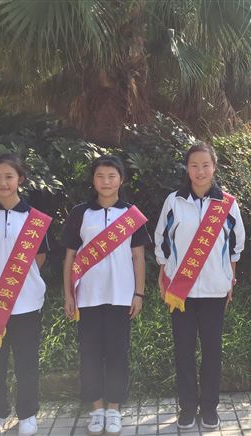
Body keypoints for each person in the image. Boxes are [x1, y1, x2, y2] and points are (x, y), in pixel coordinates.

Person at [155, 141, 245, 430]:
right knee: (183, 351)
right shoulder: (174, 201)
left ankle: (208, 407)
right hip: (180, 291)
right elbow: (162, 241)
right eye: (194, 165)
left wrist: (229, 280)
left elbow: (235, 247)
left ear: (214, 167)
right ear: (187, 168)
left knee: (211, 351)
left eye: (205, 165)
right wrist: (163, 275)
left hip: (214, 290)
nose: (200, 171)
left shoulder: (227, 204)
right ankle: (187, 407)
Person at [62, 155, 151, 436]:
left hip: (121, 296)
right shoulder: (80, 213)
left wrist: (139, 293)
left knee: (117, 354)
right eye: (100, 176)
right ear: (93, 180)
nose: (106, 181)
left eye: (112, 176)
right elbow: (70, 256)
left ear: (121, 180)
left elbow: (138, 257)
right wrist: (68, 294)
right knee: (89, 354)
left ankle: (114, 409)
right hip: (87, 296)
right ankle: (96, 409)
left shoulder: (131, 214)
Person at [0, 154, 51, 436]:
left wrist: (19, 283)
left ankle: (27, 414)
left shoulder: (34, 219)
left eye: (9, 176)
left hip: (26, 303)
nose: (2, 182)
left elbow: (40, 258)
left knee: (26, 363)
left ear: (20, 179)